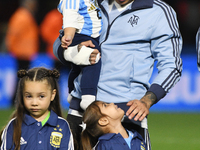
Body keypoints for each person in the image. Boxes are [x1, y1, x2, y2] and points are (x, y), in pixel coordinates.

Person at [54, 0, 183, 149]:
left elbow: (172, 65)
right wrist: (73, 51)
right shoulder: (92, 3)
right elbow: (59, 44)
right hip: (81, 110)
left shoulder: (158, 11)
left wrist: (147, 100)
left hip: (125, 114)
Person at [0, 67, 74, 150]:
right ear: (22, 95)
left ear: (52, 95)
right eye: (29, 96)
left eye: (41, 96)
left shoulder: (62, 125)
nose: (34, 103)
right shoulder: (14, 125)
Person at [53, 0, 102, 110]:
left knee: (77, 67)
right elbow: (70, 17)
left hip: (93, 36)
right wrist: (69, 35)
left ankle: (72, 92)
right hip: (81, 36)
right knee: (92, 60)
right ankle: (88, 98)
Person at [80, 101, 147, 150]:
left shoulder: (137, 137)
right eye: (105, 105)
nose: (112, 103)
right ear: (103, 121)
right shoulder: (105, 144)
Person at [5, 0, 39, 70]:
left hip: (24, 51)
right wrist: (10, 46)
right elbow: (13, 33)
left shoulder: (25, 15)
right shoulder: (22, 16)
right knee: (22, 74)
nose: (35, 6)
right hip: (22, 51)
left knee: (23, 74)